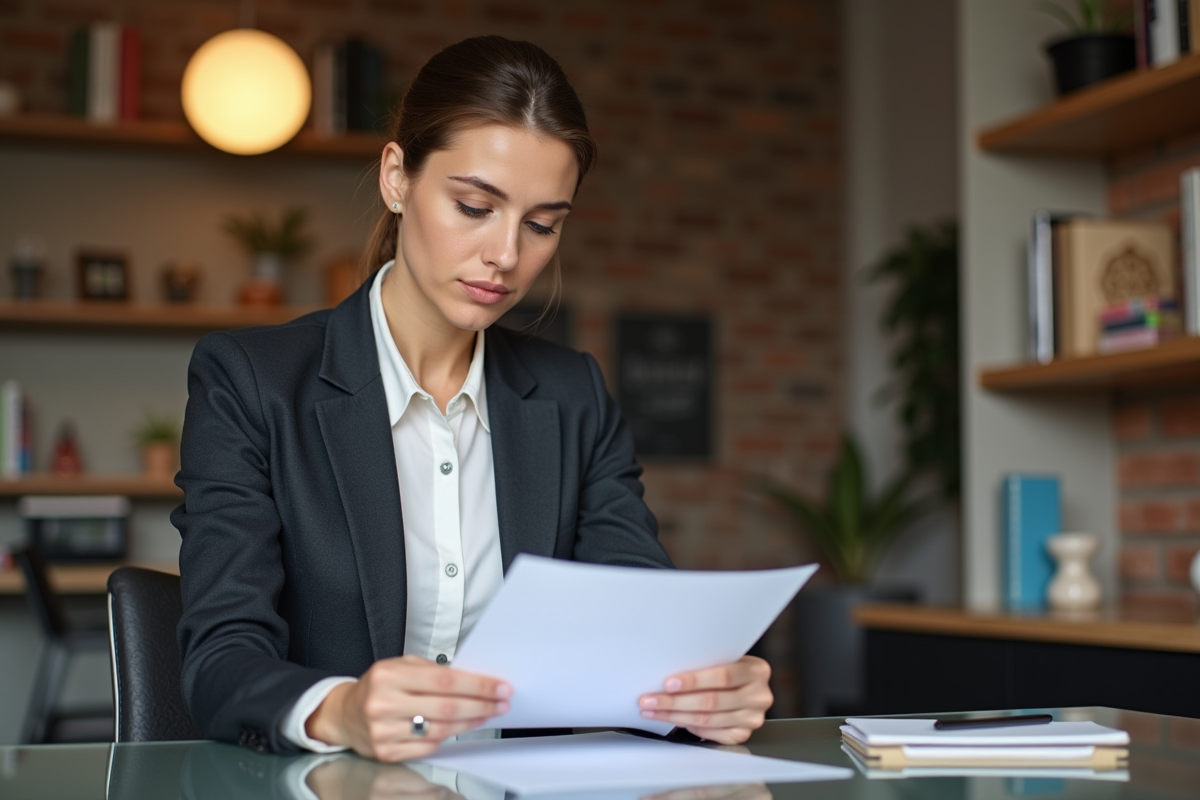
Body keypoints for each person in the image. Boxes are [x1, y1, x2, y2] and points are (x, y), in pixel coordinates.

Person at [174, 35, 772, 763]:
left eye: (543, 224)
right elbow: (221, 658)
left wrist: (700, 691)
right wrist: (341, 710)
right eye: (473, 206)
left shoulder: (572, 395)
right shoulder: (252, 380)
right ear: (397, 178)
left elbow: (636, 626)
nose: (507, 256)